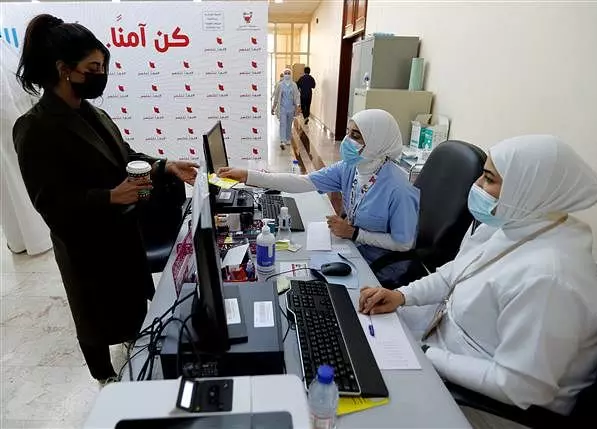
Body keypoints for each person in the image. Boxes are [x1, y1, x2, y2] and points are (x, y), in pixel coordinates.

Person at [358, 135, 597, 415]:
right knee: (356, 335)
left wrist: (424, 352)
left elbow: (518, 386)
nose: (476, 185)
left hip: (484, 403)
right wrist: (401, 296)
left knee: (362, 399)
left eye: (489, 179)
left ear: (527, 187)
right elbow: (453, 274)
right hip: (445, 338)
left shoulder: (551, 279)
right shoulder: (515, 222)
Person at [12, 14, 199, 385]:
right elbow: (51, 204)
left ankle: (134, 346)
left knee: (131, 306)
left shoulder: (94, 113)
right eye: (93, 68)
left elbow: (126, 157)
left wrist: (164, 166)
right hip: (86, 246)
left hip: (122, 235)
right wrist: (109, 196)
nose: (102, 75)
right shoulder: (35, 128)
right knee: (94, 319)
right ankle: (104, 378)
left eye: (103, 67)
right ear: (64, 70)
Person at [219, 109, 420, 284]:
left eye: (356, 135)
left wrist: (354, 234)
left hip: (379, 268)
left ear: (378, 141)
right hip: (351, 248)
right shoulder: (351, 168)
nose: (347, 140)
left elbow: (404, 243)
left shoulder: (399, 189)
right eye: (348, 132)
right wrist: (248, 176)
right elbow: (304, 181)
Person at [0, 41, 52, 255]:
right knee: (17, 182)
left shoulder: (4, 47)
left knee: (14, 184)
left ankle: (25, 238)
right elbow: (5, 101)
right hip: (10, 129)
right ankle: (33, 238)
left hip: (15, 126)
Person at [271, 68, 300, 150]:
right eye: (286, 73)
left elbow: (297, 96)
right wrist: (273, 107)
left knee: (289, 124)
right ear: (283, 74)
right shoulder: (280, 85)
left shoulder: (294, 85)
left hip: (291, 108)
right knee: (283, 124)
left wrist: (298, 105)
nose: (287, 75)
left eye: (288, 73)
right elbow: (276, 97)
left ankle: (288, 139)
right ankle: (282, 140)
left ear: (291, 74)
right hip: (282, 108)